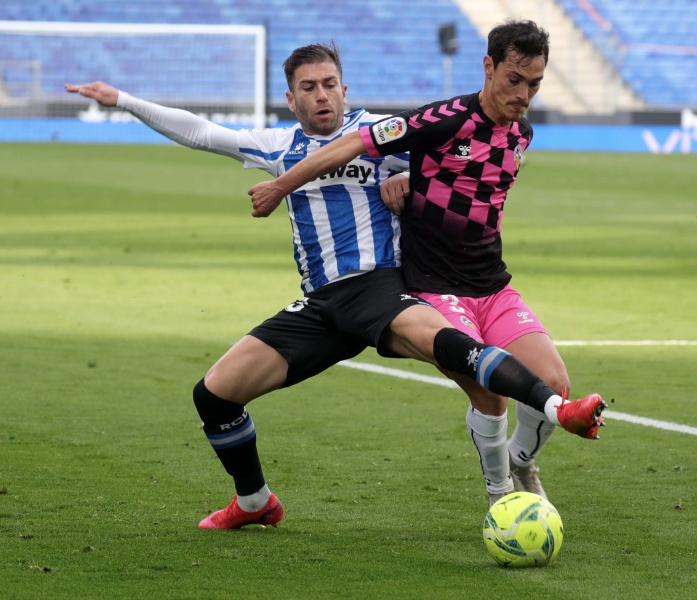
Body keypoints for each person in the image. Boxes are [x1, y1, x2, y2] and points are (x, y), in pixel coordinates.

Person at [66, 41, 605, 531]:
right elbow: (201, 132)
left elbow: (450, 166)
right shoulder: (276, 145)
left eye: (329, 84)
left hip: (381, 290)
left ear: (345, 89)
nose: (321, 95)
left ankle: (542, 426)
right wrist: (123, 100)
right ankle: (255, 501)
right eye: (308, 87)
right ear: (291, 98)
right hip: (323, 304)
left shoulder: (381, 134)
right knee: (214, 395)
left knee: (455, 348)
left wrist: (406, 177)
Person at [248, 23, 603, 509]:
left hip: (491, 285)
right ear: (489, 67)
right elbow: (353, 145)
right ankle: (501, 497)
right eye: (514, 80)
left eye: (535, 84)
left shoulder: (522, 133)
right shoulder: (442, 118)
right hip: (434, 286)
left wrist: (412, 179)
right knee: (488, 389)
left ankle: (521, 460)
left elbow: (458, 178)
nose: (524, 95)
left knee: (556, 381)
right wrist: (280, 185)